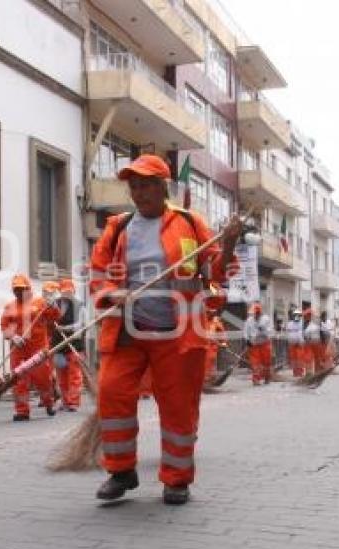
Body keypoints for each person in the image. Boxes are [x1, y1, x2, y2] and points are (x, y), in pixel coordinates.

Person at [89, 154, 241, 505]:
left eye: (146, 185)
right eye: (134, 186)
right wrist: (113, 294)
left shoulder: (190, 223)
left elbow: (215, 272)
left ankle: (176, 479)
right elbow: (97, 273)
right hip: (128, 330)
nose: (139, 193)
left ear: (164, 187)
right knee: (112, 393)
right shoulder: (118, 228)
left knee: (178, 406)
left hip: (178, 333)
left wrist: (229, 242)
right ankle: (121, 470)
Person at [0, 274, 60, 421]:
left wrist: (53, 306)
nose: (19, 291)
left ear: (28, 288)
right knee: (19, 380)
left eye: (22, 288)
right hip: (18, 350)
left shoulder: (40, 302)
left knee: (42, 379)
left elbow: (54, 317)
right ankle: (22, 410)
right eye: (16, 289)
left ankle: (48, 402)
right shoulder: (10, 307)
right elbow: (5, 327)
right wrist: (13, 336)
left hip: (38, 348)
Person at [51, 279, 84, 411]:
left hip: (74, 345)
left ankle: (73, 403)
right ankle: (65, 401)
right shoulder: (55, 304)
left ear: (73, 291)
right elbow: (48, 318)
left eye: (69, 292)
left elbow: (81, 324)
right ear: (60, 292)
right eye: (65, 292)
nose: (67, 295)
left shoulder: (80, 305)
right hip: (58, 344)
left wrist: (66, 329)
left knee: (75, 375)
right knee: (61, 375)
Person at [245, 302, 273, 386]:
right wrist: (247, 340)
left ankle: (267, 377)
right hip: (254, 344)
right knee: (255, 363)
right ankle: (256, 379)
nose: (255, 315)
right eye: (253, 313)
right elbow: (246, 331)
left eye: (256, 313)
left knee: (266, 362)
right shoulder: (249, 320)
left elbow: (270, 332)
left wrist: (263, 330)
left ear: (259, 312)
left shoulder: (266, 319)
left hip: (265, 343)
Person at [285, 310, 306, 378]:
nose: (297, 316)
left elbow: (303, 333)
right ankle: (295, 372)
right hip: (292, 343)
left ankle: (300, 372)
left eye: (298, 315)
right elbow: (288, 333)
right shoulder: (289, 324)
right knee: (293, 358)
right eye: (295, 315)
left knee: (300, 358)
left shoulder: (302, 323)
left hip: (300, 343)